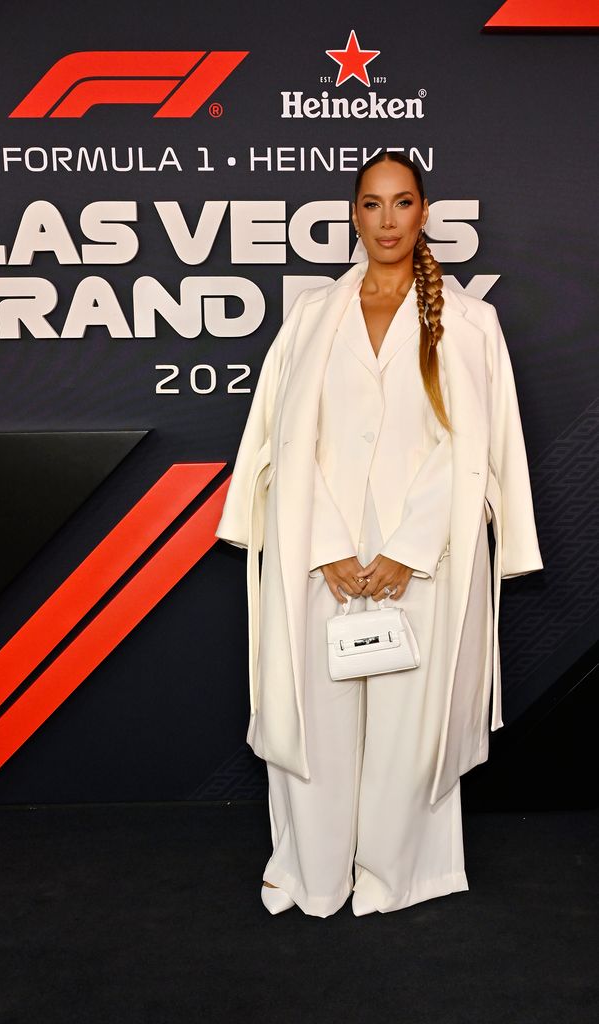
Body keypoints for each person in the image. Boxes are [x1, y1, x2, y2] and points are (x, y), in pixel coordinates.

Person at [215, 152, 544, 918]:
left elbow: (477, 448)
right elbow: (283, 442)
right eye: (372, 204)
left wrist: (407, 545)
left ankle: (400, 876)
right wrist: (328, 540)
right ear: (353, 215)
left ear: (425, 211)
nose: (388, 220)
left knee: (409, 727)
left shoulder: (470, 323)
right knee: (316, 720)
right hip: (316, 551)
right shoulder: (309, 320)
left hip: (425, 556)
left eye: (402, 203)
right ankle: (314, 876)